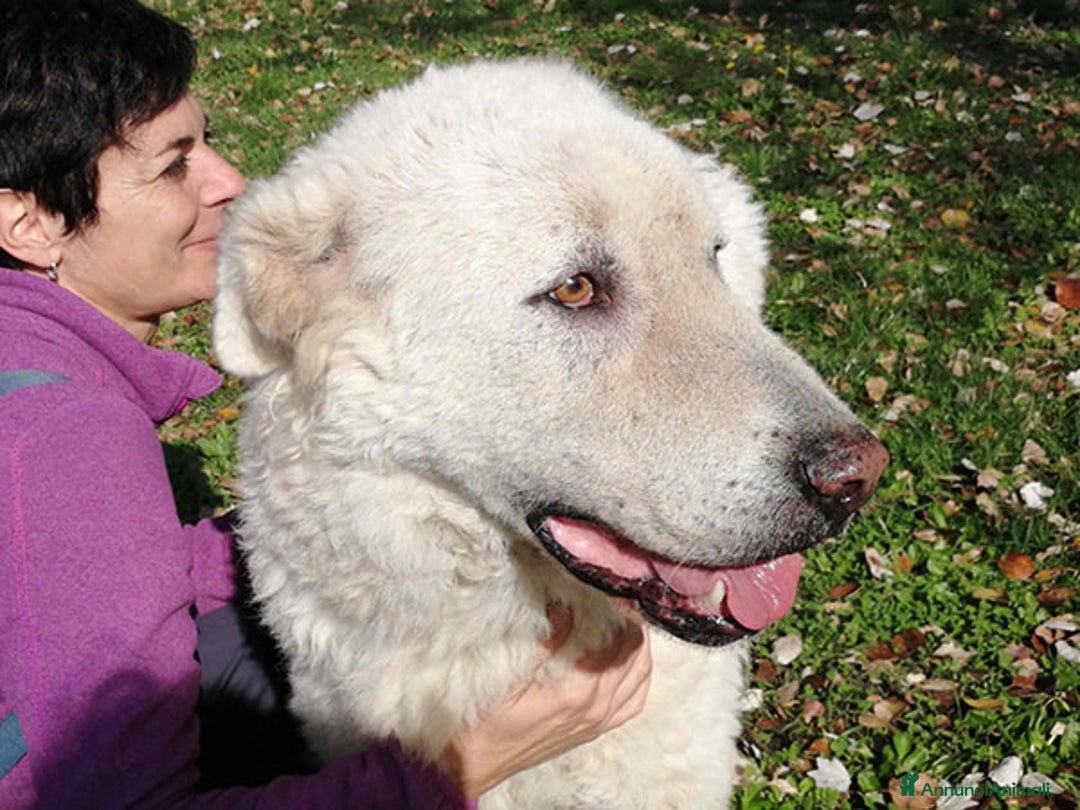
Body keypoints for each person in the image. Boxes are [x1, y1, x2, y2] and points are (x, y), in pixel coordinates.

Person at [0, 1, 652, 807]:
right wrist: (459, 767)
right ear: (28, 223)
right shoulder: (66, 435)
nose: (228, 180)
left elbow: (56, 576)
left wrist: (260, 537)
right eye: (174, 166)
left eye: (206, 141)